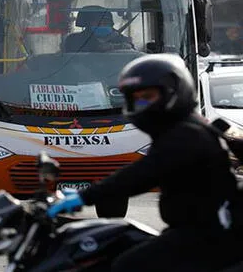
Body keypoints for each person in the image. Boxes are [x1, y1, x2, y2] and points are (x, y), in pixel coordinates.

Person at [46, 54, 243, 272]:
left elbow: (142, 174)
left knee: (127, 265)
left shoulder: (186, 135)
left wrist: (85, 196)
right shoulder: (188, 127)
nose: (142, 105)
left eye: (148, 97)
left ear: (174, 92)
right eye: (136, 99)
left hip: (209, 234)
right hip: (202, 229)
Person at [62, 5, 134, 52]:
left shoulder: (120, 39)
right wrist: (97, 47)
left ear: (111, 24)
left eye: (106, 23)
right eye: (98, 23)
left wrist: (119, 47)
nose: (102, 25)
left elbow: (134, 56)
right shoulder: (74, 39)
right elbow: (71, 58)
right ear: (88, 25)